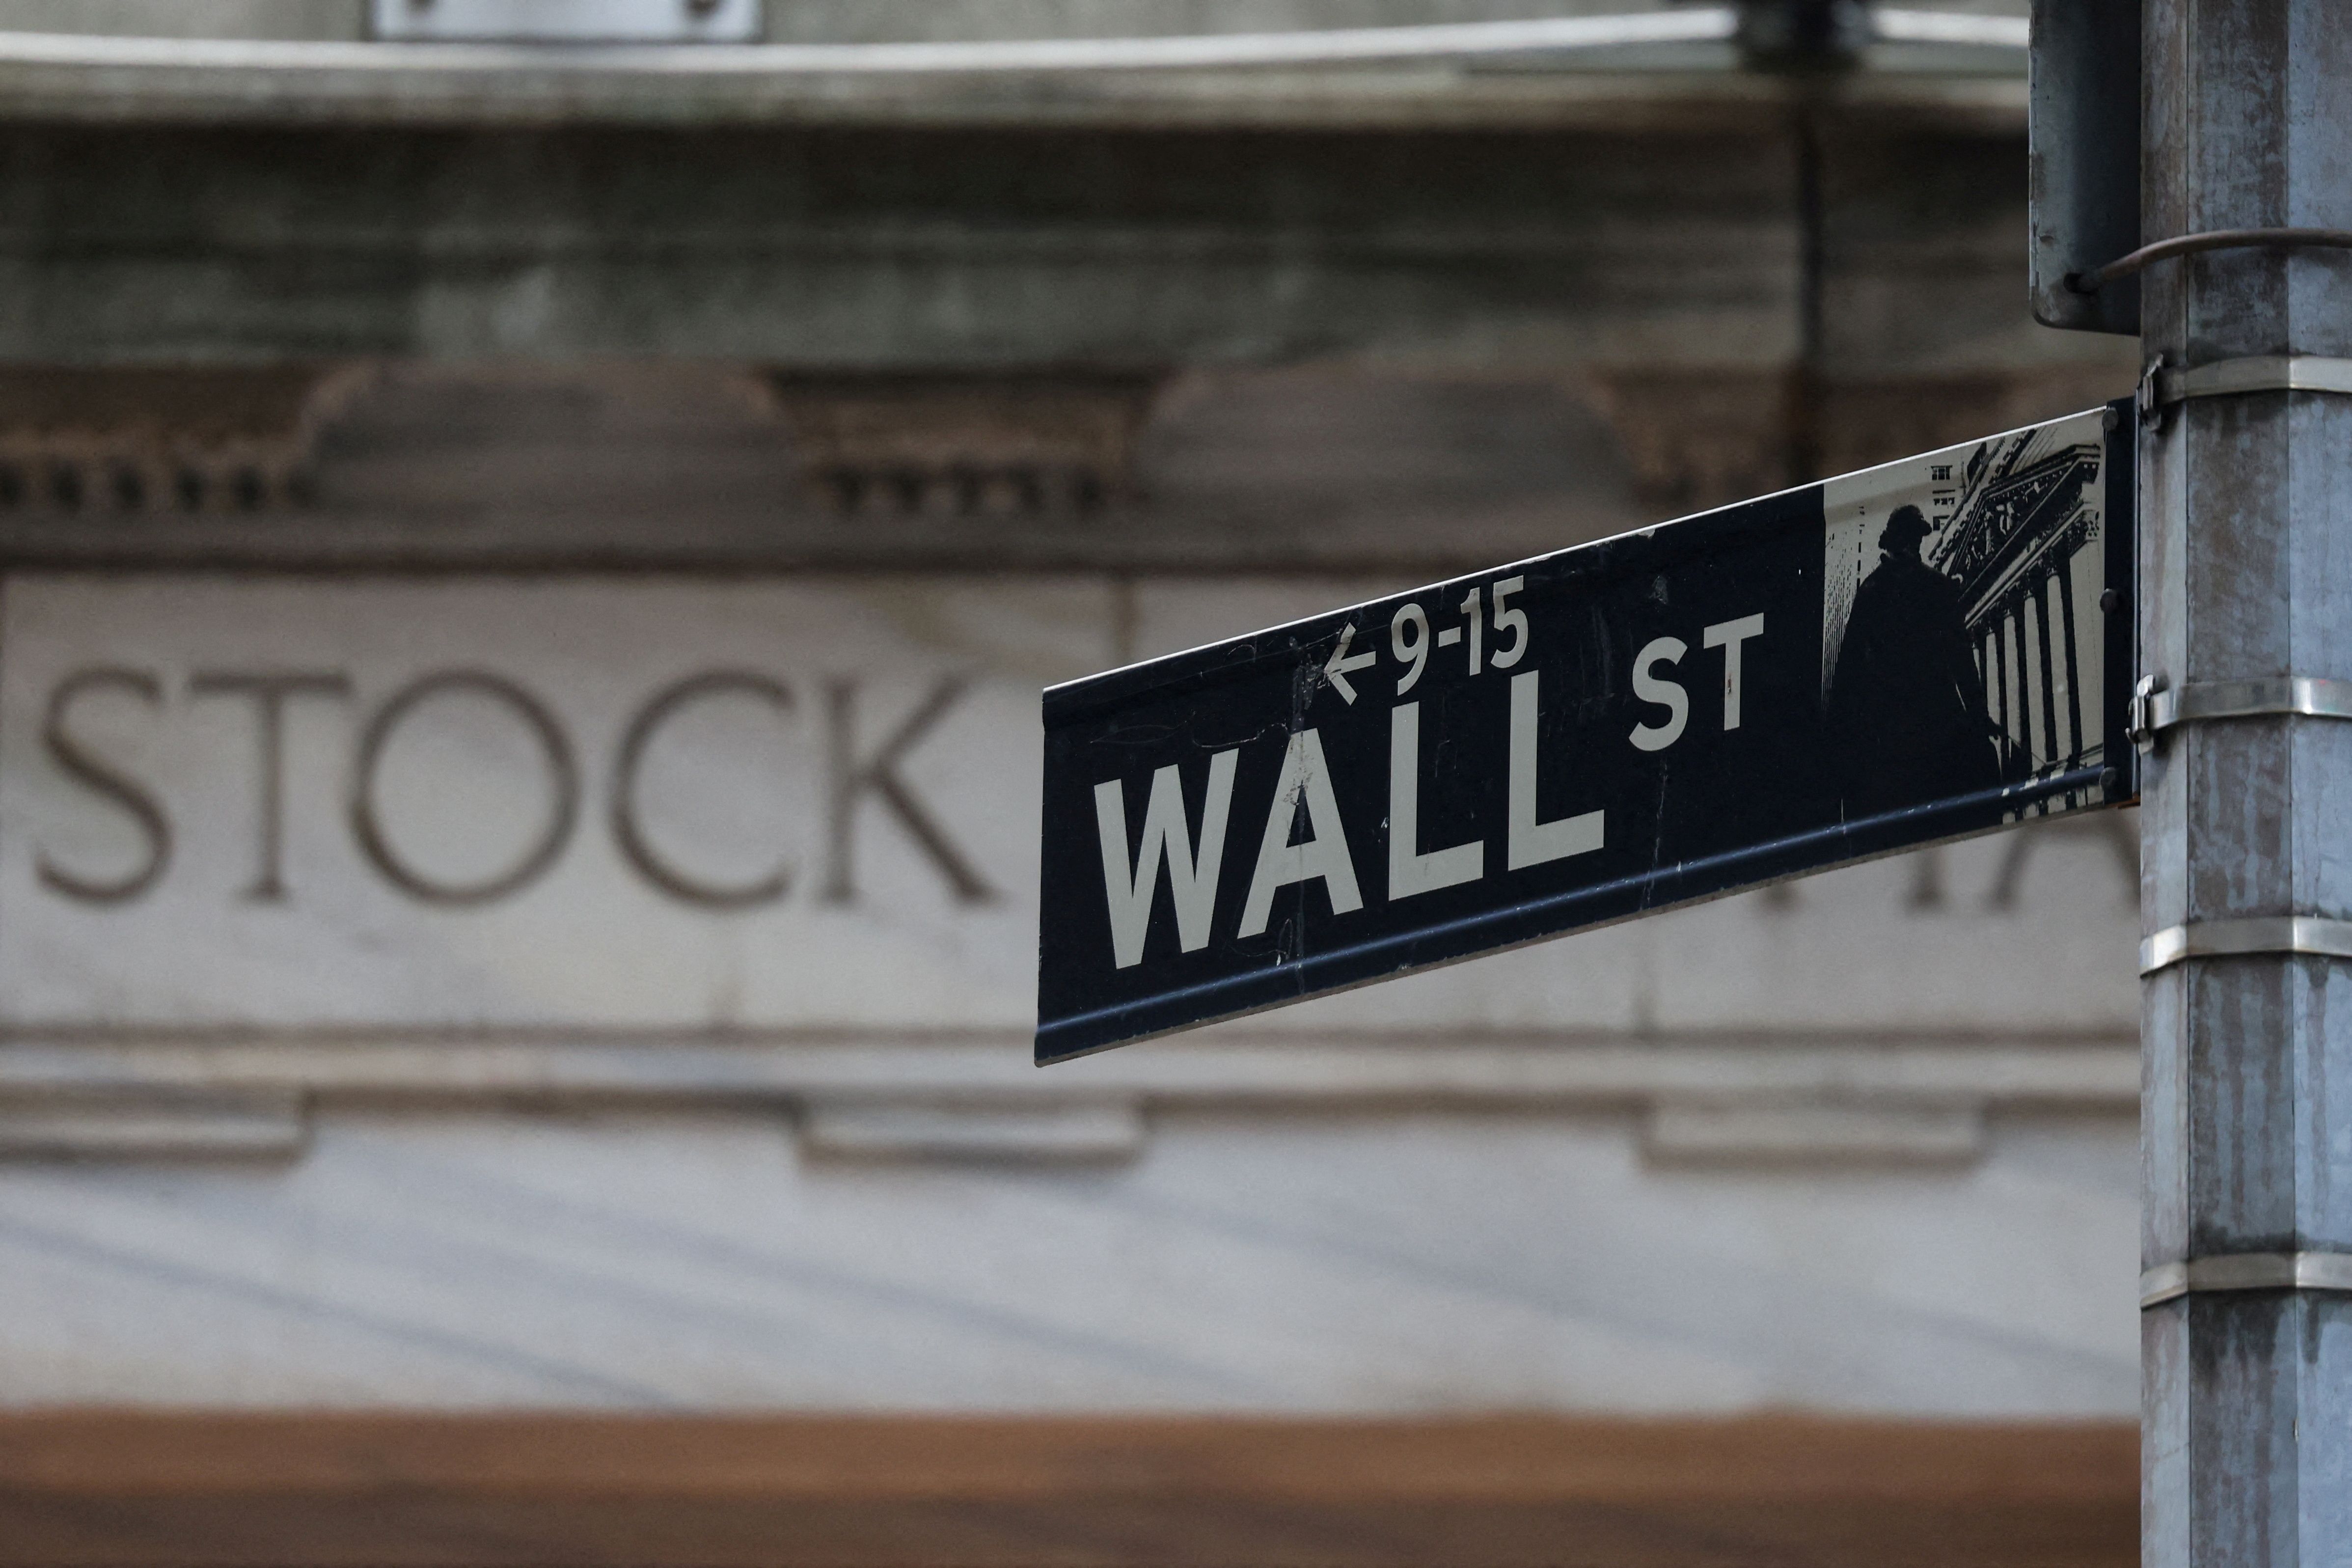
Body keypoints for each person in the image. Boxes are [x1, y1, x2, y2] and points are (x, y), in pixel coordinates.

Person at [1825, 503, 2002, 817]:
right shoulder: (1932, 586)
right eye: (1913, 538)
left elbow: (1848, 672)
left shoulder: (1873, 590)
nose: (1915, 545)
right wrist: (1977, 714)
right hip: (1931, 725)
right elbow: (1961, 660)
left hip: (1892, 734)